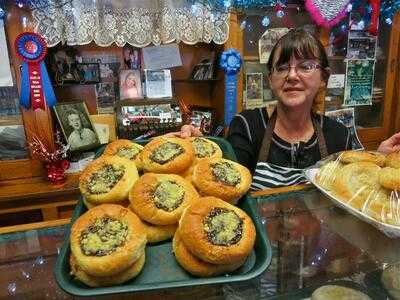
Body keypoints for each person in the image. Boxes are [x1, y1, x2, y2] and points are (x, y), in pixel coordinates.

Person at [170, 28, 400, 190]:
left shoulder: (339, 134)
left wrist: (378, 162)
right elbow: (225, 184)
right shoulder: (248, 126)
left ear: (323, 78)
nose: (291, 75)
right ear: (271, 79)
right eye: (282, 67)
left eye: (305, 66)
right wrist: (201, 153)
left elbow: (350, 193)